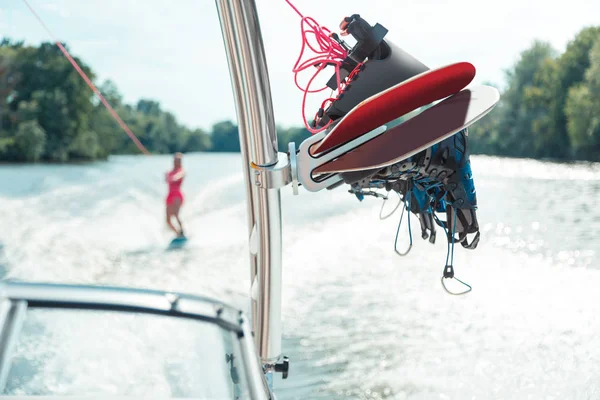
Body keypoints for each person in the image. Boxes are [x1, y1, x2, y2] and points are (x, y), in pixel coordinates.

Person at [165, 153, 185, 237]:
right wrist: (167, 177)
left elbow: (178, 177)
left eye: (178, 161)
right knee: (168, 220)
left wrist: (172, 178)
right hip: (170, 195)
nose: (176, 162)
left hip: (177, 195)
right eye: (175, 160)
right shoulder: (169, 172)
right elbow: (167, 180)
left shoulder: (181, 171)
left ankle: (182, 232)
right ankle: (177, 234)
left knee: (176, 215)